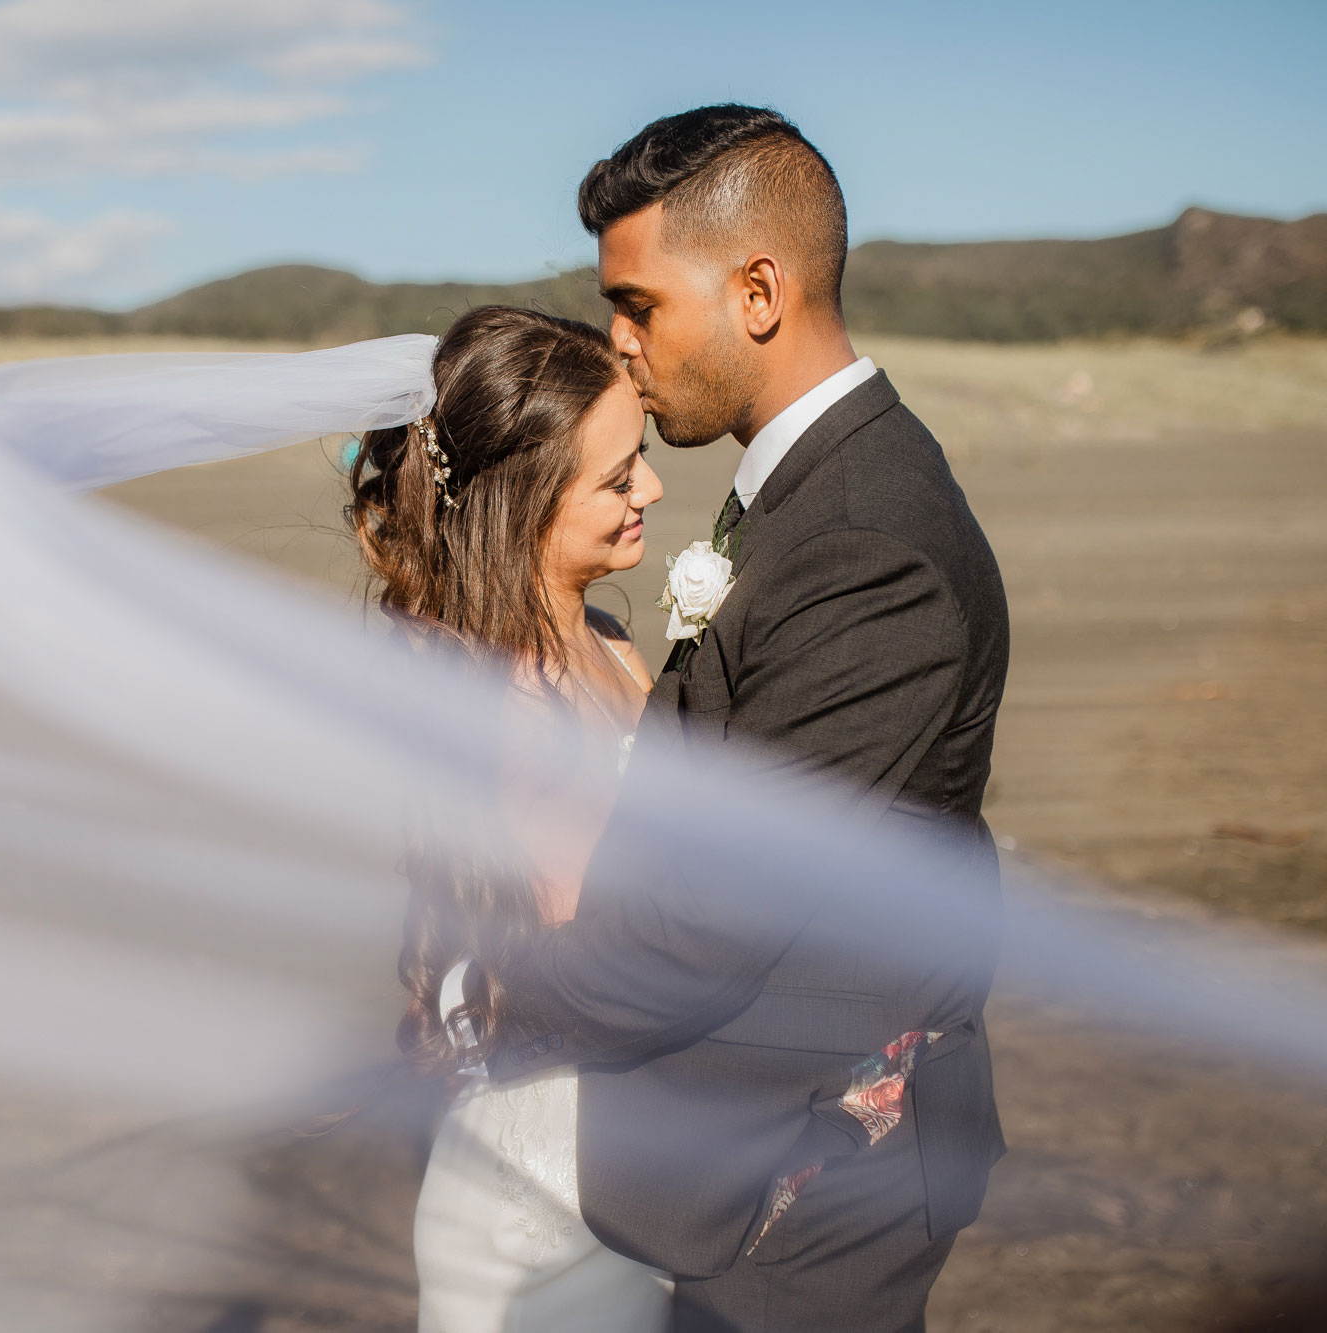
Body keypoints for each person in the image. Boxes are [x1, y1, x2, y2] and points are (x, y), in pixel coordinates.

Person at [481, 105, 1013, 1332]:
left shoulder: (867, 542)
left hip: (811, 1178)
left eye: (639, 305)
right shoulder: (806, 493)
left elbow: (708, 921)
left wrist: (504, 998)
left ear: (758, 289)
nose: (616, 344)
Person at [347, 304, 675, 1329]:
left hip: (620, 1144)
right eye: (617, 478)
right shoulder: (517, 710)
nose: (651, 491)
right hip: (552, 1186)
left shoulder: (610, 639)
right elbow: (605, 954)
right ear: (528, 502)